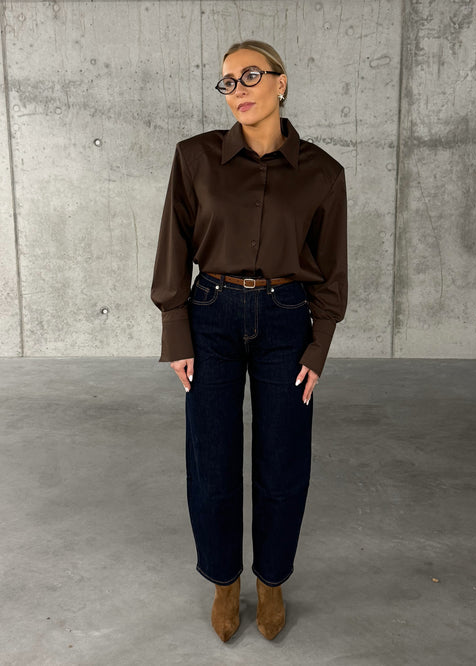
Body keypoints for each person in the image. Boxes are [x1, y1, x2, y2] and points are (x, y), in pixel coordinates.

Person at [151, 39, 348, 643]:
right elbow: (174, 243)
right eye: (227, 81)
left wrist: (318, 345)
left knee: (283, 461)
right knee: (211, 461)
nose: (237, 89)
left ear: (281, 83)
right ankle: (223, 580)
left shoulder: (323, 173)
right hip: (210, 315)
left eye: (251, 75)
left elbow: (331, 270)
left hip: (287, 319)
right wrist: (175, 328)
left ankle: (271, 581)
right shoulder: (195, 158)